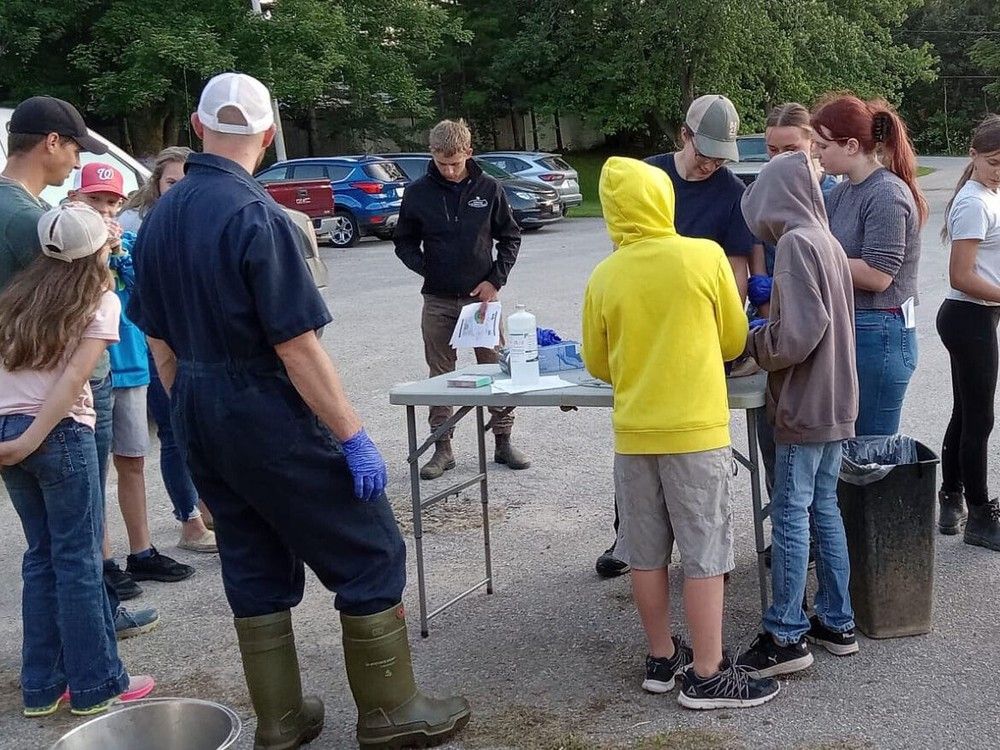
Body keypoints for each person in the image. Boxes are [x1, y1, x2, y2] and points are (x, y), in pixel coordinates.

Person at [127, 72, 470, 750]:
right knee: (369, 544)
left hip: (196, 401)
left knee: (250, 550)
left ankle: (281, 721)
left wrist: (192, 413)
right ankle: (391, 711)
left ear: (197, 129)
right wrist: (351, 435)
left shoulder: (160, 214)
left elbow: (158, 340)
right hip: (262, 403)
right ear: (266, 133)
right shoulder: (258, 215)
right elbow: (296, 347)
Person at [582, 156, 778, 709]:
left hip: (635, 432)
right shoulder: (704, 257)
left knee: (645, 552)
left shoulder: (606, 274)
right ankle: (709, 673)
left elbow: (598, 362)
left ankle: (662, 656)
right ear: (661, 199)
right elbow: (734, 339)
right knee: (705, 551)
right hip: (695, 428)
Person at [1, 95, 156, 638]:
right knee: (77, 539)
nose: (73, 162)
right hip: (66, 395)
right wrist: (103, 254)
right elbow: (81, 303)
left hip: (13, 398)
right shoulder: (30, 219)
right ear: (50, 142)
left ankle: (52, 664)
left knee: (46, 545)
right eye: (72, 148)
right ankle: (94, 650)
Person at [0, 202, 155, 716]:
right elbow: (73, 383)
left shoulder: (14, 298)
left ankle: (41, 686)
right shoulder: (99, 300)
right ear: (96, 251)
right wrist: (31, 439)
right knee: (78, 559)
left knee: (41, 556)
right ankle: (98, 683)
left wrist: (13, 442)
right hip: (57, 432)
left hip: (9, 433)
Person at [595, 94, 758, 578]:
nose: (711, 164)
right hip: (647, 330)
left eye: (719, 157)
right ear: (683, 136)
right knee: (637, 449)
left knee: (696, 455)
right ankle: (630, 542)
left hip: (696, 332)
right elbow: (623, 255)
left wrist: (725, 322)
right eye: (704, 153)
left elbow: (735, 268)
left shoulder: (731, 191)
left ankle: (705, 557)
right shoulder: (647, 176)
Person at [735, 151, 860, 678]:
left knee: (790, 511)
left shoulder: (794, 244)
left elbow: (800, 334)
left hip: (806, 404)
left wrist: (753, 341)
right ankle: (837, 619)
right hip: (836, 401)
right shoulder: (826, 239)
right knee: (824, 508)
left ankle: (786, 634)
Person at [68, 163, 197, 607]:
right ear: (76, 202)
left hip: (132, 363)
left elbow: (148, 288)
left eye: (111, 202)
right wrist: (94, 252)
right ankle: (103, 562)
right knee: (93, 472)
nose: (104, 210)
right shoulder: (66, 244)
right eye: (94, 200)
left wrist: (120, 252)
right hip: (91, 368)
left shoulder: (130, 241)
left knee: (134, 460)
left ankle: (141, 550)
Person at [394, 118, 528, 480]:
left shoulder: (490, 188)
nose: (450, 170)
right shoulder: (418, 192)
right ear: (432, 155)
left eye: (456, 162)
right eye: (442, 163)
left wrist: (494, 281)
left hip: (481, 302)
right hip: (437, 301)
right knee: (440, 375)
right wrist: (426, 269)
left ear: (469, 152)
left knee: (496, 371)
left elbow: (511, 237)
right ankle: (442, 448)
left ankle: (502, 440)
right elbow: (403, 241)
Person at [119, 148, 219, 552]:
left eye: (185, 181)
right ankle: (189, 522)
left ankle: (208, 507)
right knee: (175, 431)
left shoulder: (196, 217)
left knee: (200, 427)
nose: (179, 189)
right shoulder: (134, 225)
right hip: (145, 338)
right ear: (156, 185)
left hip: (190, 335)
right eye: (171, 182)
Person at [811, 94, 928, 436]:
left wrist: (814, 258)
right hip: (851, 326)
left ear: (850, 146)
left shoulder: (887, 195)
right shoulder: (841, 192)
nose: (816, 152)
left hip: (880, 334)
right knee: (848, 448)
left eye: (822, 145)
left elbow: (878, 276)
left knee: (871, 452)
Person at [935, 115, 1000, 551]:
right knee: (980, 418)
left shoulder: (989, 194)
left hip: (976, 317)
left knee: (966, 413)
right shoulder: (974, 201)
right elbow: (961, 276)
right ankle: (979, 516)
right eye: (994, 161)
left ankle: (951, 498)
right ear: (973, 155)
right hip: (968, 317)